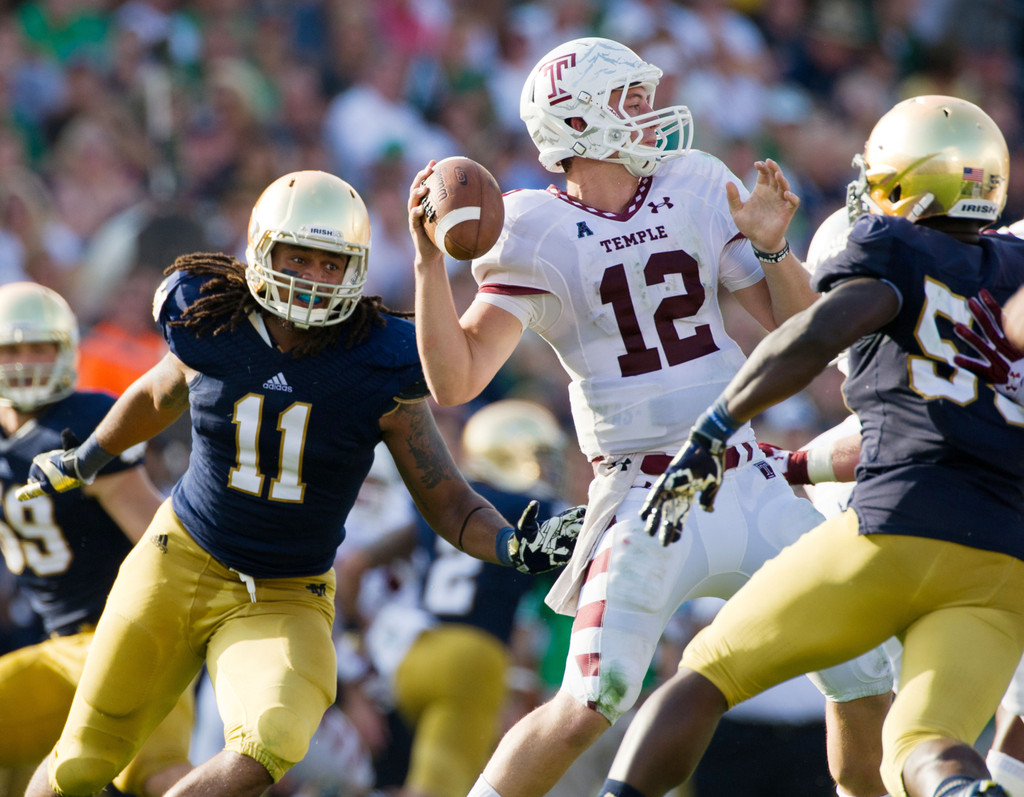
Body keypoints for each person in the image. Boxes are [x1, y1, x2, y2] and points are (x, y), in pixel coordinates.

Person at [409, 35, 894, 797]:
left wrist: (772, 250)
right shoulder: (532, 228)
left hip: (744, 473)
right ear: (576, 122)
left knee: (865, 667)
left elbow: (801, 334)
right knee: (587, 701)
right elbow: (457, 377)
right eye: (627, 101)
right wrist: (429, 264)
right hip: (643, 498)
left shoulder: (695, 182)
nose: (650, 112)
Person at [16, 170, 586, 797]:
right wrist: (88, 457)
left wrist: (510, 544)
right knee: (82, 761)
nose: (313, 278)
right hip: (177, 561)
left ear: (357, 269)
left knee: (272, 739)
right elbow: (158, 393)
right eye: (298, 257)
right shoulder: (212, 318)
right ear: (262, 249)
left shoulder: (378, 361)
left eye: (330, 263)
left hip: (286, 594)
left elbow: (447, 498)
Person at [603, 94, 1024, 797]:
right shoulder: (1015, 266)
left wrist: (716, 426)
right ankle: (957, 789)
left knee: (710, 669)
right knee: (923, 743)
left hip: (899, 523)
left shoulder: (896, 247)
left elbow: (819, 332)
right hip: (1006, 561)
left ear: (908, 179)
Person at [0, 282, 193, 797]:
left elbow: (162, 537)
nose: (25, 362)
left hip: (133, 642)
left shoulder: (79, 425)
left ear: (65, 351)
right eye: (11, 350)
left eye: (38, 346)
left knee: (164, 781)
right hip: (62, 649)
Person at [351, 399, 572, 797]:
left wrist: (357, 639)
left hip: (413, 654)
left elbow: (354, 566)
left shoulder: (442, 504)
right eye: (540, 455)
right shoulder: (538, 510)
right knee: (438, 791)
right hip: (473, 659)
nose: (550, 467)